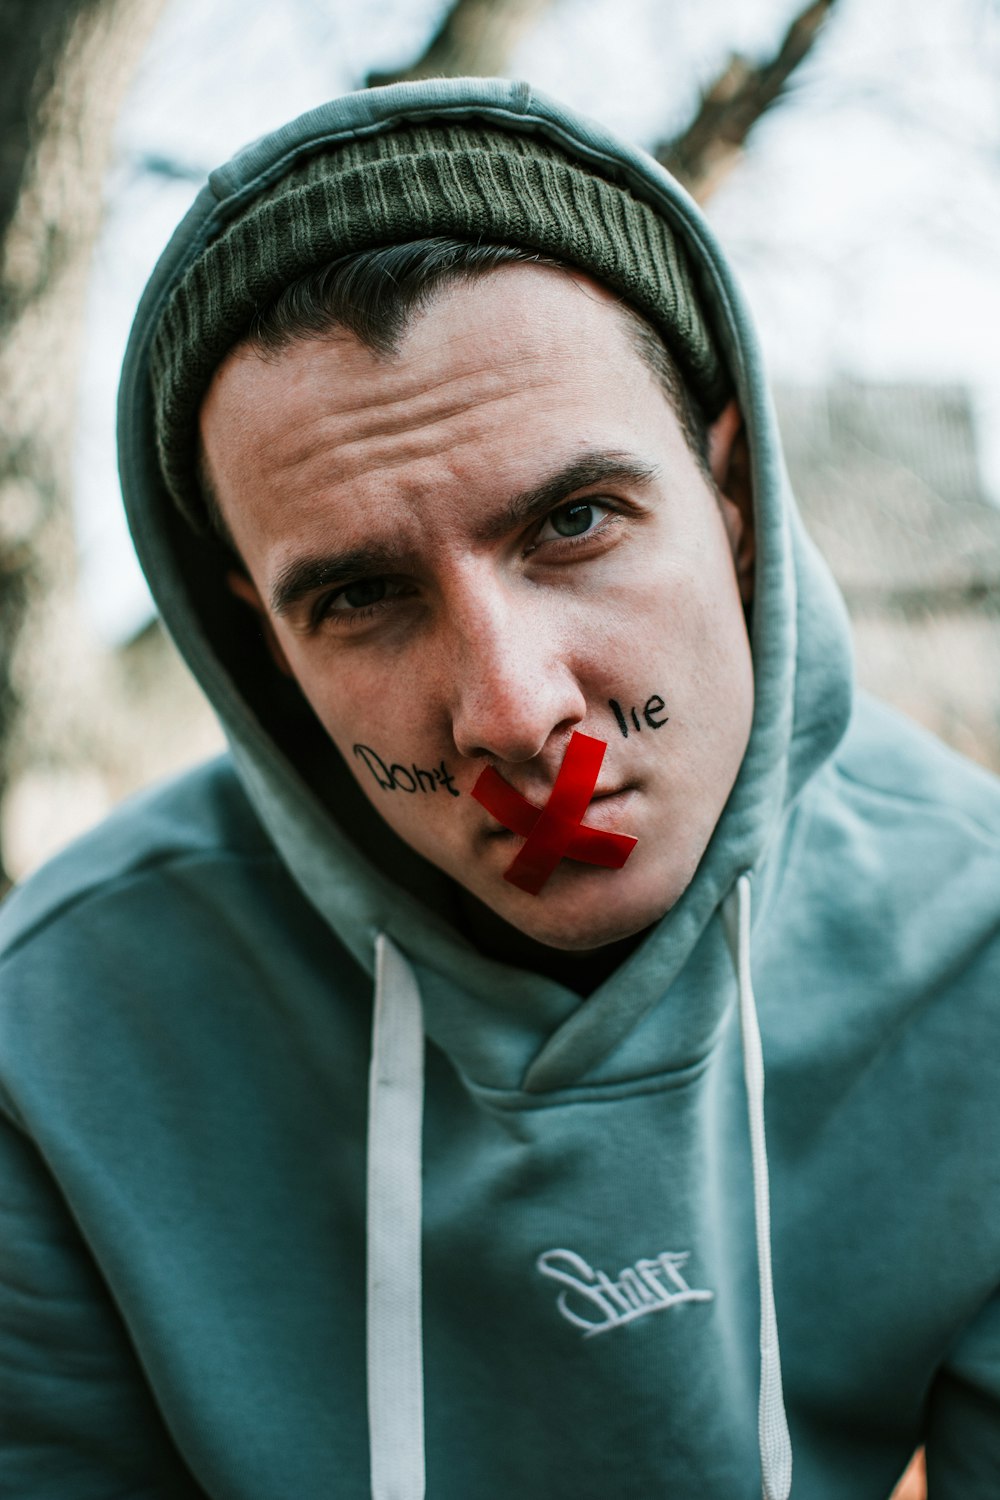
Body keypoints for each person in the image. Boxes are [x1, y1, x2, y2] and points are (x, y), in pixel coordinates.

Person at [2, 77, 999, 1500]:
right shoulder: (65, 1032)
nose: (518, 715)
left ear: (731, 497)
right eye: (360, 597)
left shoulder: (977, 941)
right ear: (258, 646)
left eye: (576, 521)